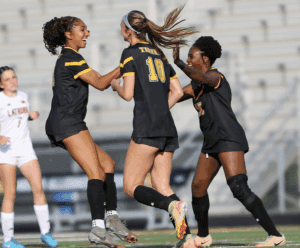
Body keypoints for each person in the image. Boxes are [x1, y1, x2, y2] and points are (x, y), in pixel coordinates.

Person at [172, 36, 286, 247]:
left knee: (238, 187)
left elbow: (204, 79)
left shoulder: (215, 77)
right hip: (211, 142)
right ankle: (203, 236)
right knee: (197, 187)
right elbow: (174, 93)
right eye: (186, 57)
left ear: (205, 59)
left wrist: (178, 63)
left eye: (191, 56)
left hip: (228, 137)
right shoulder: (195, 84)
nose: (188, 59)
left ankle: (275, 235)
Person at [42, 16, 136, 248]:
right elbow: (101, 83)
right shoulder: (71, 58)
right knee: (96, 172)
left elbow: (100, 81)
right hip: (67, 123)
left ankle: (111, 219)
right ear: (68, 34)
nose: (87, 33)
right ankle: (97, 228)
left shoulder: (72, 58)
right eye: (82, 29)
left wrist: (124, 67)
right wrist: (127, 64)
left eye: (87, 29)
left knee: (108, 165)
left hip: (70, 122)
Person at [110, 7, 197, 246]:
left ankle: (171, 206)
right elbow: (178, 91)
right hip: (167, 127)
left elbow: (128, 94)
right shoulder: (159, 53)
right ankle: (187, 237)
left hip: (146, 128)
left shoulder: (130, 53)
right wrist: (159, 111)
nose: (120, 30)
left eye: (121, 27)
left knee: (131, 186)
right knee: (162, 185)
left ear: (129, 30)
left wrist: (116, 85)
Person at [0, 66, 58, 248]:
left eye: (14, 77)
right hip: (6, 152)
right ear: (1, 84)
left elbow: (19, 118)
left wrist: (31, 116)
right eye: (7, 79)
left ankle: (45, 233)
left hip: (25, 150)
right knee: (10, 194)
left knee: (38, 189)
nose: (12, 81)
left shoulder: (24, 96)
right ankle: (8, 239)